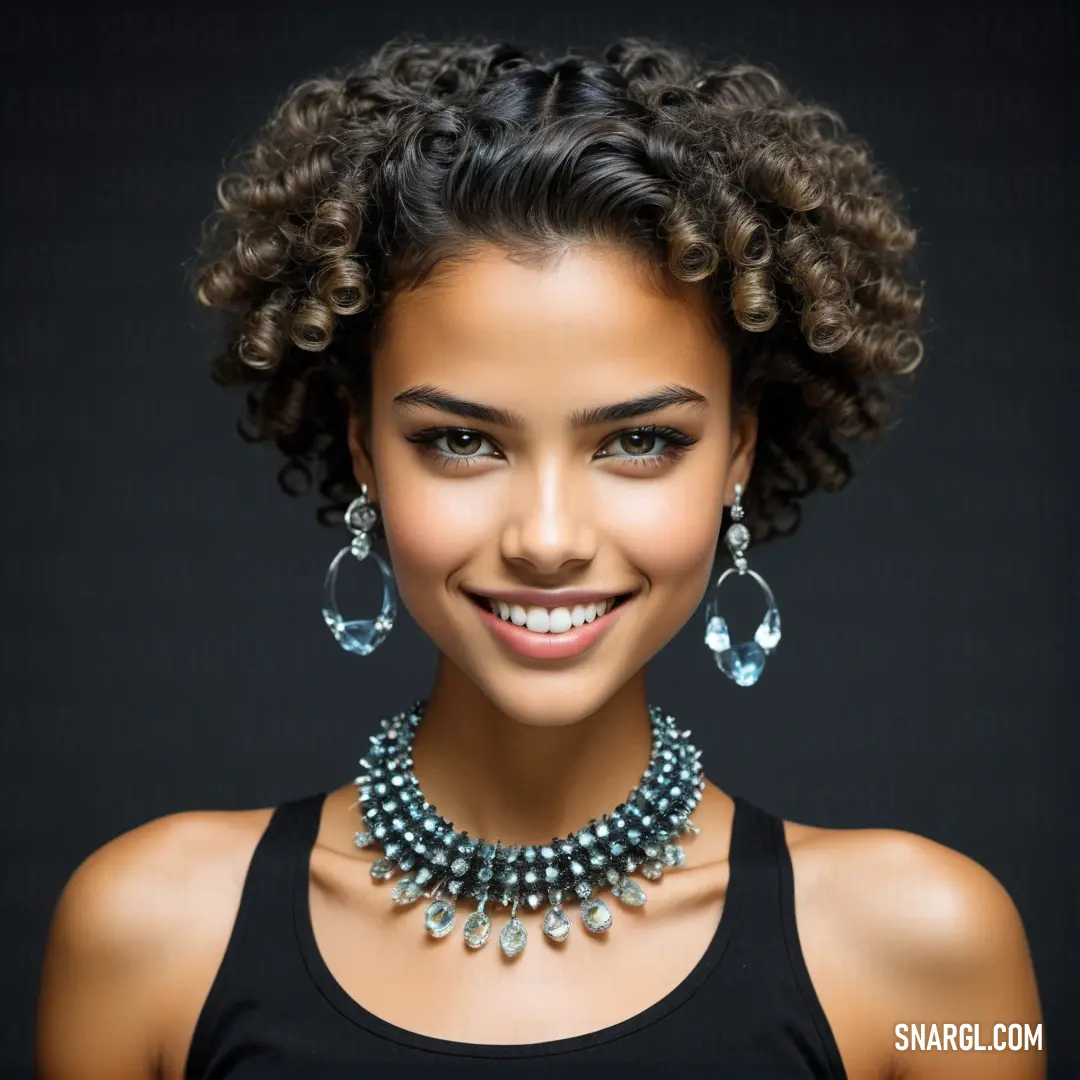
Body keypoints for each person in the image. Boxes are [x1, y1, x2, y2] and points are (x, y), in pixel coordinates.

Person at [35, 36, 1044, 1080]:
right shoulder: (147, 937)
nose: (549, 539)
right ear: (362, 448)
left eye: (640, 441)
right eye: (462, 440)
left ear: (737, 450)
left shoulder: (932, 953)